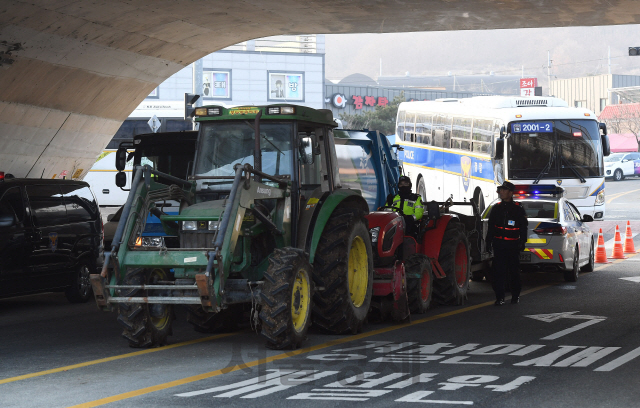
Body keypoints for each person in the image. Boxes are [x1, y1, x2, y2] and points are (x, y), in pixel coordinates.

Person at [485, 181, 528, 305]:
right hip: (499, 245)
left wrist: (522, 241)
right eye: (500, 190)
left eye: (504, 190)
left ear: (510, 192)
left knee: (514, 272)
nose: (501, 192)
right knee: (498, 272)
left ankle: (515, 296)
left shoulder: (517, 208)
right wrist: (489, 241)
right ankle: (500, 297)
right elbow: (491, 226)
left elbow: (523, 227)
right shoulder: (496, 208)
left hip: (512, 246)